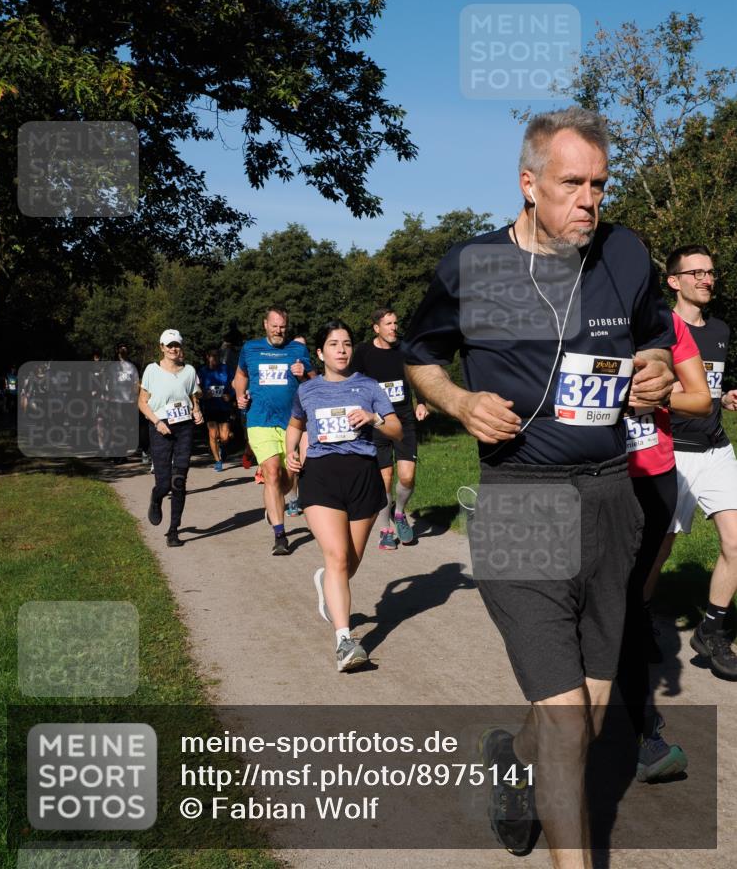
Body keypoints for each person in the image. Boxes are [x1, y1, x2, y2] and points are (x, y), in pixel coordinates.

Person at [404, 107, 675, 864]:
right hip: (520, 497)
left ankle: (510, 762)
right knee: (564, 722)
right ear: (529, 185)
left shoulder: (625, 253)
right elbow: (421, 357)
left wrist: (652, 369)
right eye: (571, 184)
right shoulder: (474, 265)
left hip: (611, 497)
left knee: (582, 717)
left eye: (599, 185)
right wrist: (458, 401)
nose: (589, 200)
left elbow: (654, 339)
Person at [618, 306, 709, 782]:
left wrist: (659, 390)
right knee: (585, 602)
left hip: (654, 476)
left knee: (630, 601)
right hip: (590, 477)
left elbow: (701, 400)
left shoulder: (664, 323)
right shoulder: (572, 311)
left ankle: (638, 729)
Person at [286, 320, 402, 670]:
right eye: (333, 344)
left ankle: (326, 582)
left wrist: (374, 419)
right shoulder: (307, 390)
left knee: (348, 563)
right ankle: (344, 641)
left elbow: (396, 428)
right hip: (320, 476)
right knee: (336, 556)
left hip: (362, 476)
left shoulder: (368, 387)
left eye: (347, 343)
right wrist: (291, 451)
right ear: (320, 353)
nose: (342, 349)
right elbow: (295, 425)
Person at [644, 245, 737, 678]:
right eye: (695, 272)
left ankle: (712, 631)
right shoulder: (659, 329)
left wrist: (723, 397)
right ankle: (637, 619)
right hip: (672, 451)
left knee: (736, 543)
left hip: (717, 449)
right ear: (673, 281)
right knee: (658, 549)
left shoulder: (720, 328)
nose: (706, 279)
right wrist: (691, 402)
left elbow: (710, 387)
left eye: (710, 272)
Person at [234, 306, 314, 555]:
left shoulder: (298, 350)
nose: (279, 330)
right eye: (274, 325)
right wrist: (239, 395)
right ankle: (280, 535)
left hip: (291, 422)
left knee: (289, 478)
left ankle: (274, 502)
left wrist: (303, 376)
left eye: (283, 326)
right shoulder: (250, 348)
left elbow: (316, 382)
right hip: (260, 420)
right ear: (265, 325)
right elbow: (240, 375)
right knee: (271, 471)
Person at [350, 308, 429, 549]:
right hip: (376, 421)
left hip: (403, 419)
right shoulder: (363, 352)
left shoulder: (405, 349)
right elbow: (353, 381)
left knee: (407, 476)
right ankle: (385, 530)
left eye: (395, 323)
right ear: (377, 328)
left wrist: (422, 401)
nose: (394, 328)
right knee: (385, 479)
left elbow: (418, 376)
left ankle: (400, 513)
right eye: (388, 324)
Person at [139, 329, 203, 547]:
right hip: (160, 427)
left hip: (184, 427)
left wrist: (197, 410)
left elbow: (194, 397)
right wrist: (157, 422)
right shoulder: (152, 370)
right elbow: (142, 402)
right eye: (169, 345)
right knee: (164, 483)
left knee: (179, 481)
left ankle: (173, 530)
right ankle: (156, 498)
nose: (173, 348)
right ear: (162, 347)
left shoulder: (189, 371)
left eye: (176, 344)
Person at [197, 348, 234, 471]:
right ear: (207, 356)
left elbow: (234, 385)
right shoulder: (202, 371)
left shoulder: (226, 369)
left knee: (225, 437)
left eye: (217, 356)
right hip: (210, 407)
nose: (215, 358)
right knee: (213, 434)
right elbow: (196, 390)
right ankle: (217, 461)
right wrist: (203, 395)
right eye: (213, 355)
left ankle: (223, 448)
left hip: (224, 407)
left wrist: (231, 395)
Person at [104, 343, 140, 462]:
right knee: (116, 427)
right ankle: (116, 453)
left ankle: (122, 454)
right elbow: (106, 382)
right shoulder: (111, 366)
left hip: (129, 402)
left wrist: (135, 396)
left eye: (126, 347)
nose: (124, 349)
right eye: (121, 347)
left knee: (126, 427)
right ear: (117, 350)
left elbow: (136, 383)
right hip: (115, 401)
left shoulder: (132, 366)